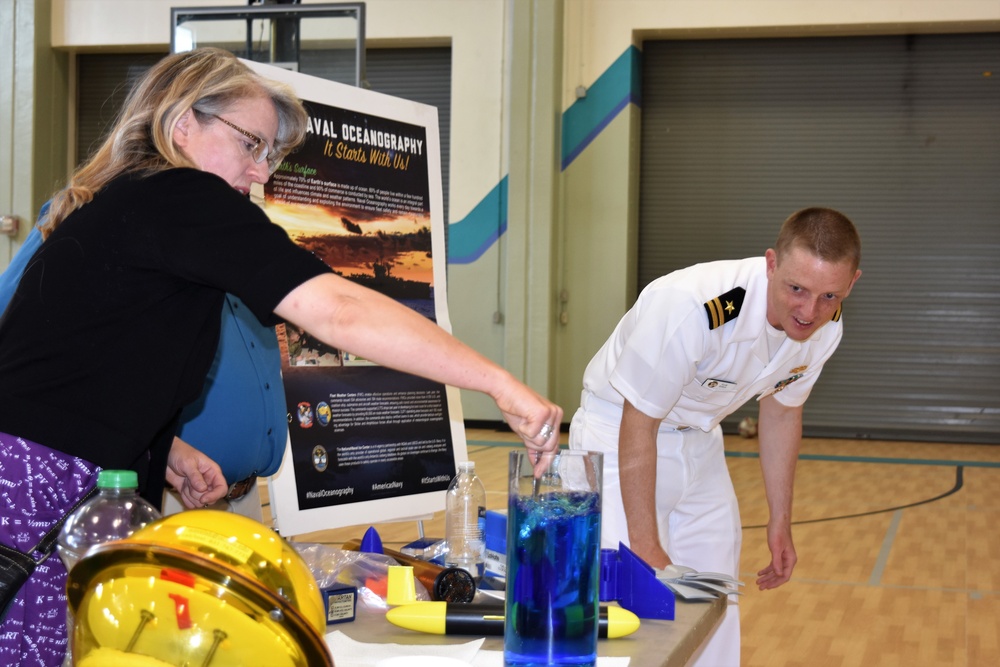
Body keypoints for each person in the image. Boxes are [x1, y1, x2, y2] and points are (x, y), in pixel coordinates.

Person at [0, 47, 562, 667]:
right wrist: (499, 383)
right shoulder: (181, 194)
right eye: (251, 145)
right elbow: (338, 311)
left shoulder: (133, 204)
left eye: (271, 154)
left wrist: (169, 451)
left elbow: (80, 364)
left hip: (64, 484)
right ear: (184, 123)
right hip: (39, 498)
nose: (262, 173)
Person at [569, 207, 861, 666]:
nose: (810, 312)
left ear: (851, 284)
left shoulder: (829, 328)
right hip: (616, 436)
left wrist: (779, 520)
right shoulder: (693, 305)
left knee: (714, 595)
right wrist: (645, 548)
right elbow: (638, 422)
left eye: (829, 296)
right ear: (771, 263)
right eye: (796, 290)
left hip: (701, 442)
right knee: (628, 602)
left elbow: (783, 414)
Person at [0, 211, 278, 521]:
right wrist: (165, 445)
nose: (261, 171)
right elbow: (20, 333)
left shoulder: (233, 223)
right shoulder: (94, 206)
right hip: (158, 493)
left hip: (242, 495)